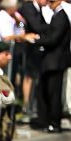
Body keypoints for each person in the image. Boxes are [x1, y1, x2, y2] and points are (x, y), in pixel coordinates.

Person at [36, 0, 70, 132]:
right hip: (52, 61)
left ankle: (55, 122)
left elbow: (54, 38)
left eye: (51, 2)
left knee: (54, 93)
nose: (49, 5)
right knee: (48, 91)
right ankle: (48, 120)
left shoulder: (61, 16)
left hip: (56, 61)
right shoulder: (57, 15)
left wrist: (36, 40)